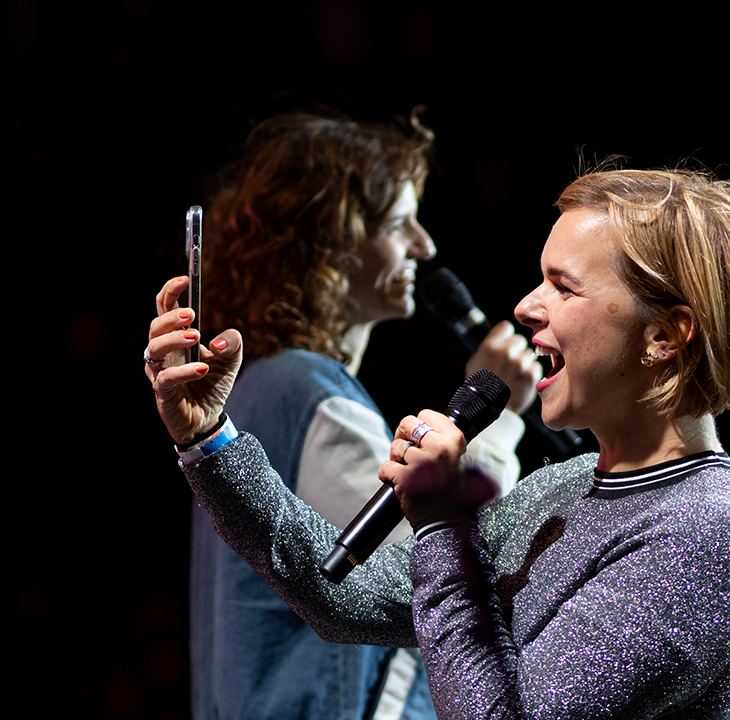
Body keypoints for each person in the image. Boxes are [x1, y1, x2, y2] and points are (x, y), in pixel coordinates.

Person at [146, 168, 730, 719]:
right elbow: (342, 593)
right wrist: (210, 439)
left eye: (564, 288)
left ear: (664, 338)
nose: (528, 307)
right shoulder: (563, 488)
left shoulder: (704, 540)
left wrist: (442, 526)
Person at [180, 112, 541, 720]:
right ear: (334, 238)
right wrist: (495, 415)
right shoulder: (312, 393)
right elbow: (429, 579)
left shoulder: (261, 383)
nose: (425, 245)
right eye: (401, 223)